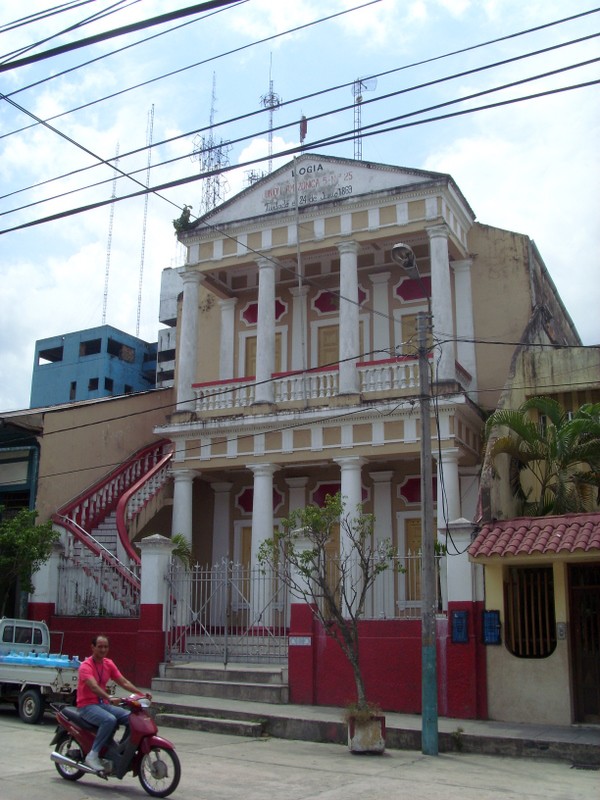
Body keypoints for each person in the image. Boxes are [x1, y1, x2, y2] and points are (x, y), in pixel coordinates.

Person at [76, 634, 151, 772]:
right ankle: (93, 755)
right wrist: (109, 697)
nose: (103, 650)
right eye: (100, 647)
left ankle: (120, 752)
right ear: (92, 647)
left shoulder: (108, 664)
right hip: (87, 706)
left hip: (102, 704)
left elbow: (123, 681)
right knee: (109, 720)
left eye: (105, 647)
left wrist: (140, 694)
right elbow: (93, 686)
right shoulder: (85, 666)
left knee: (131, 718)